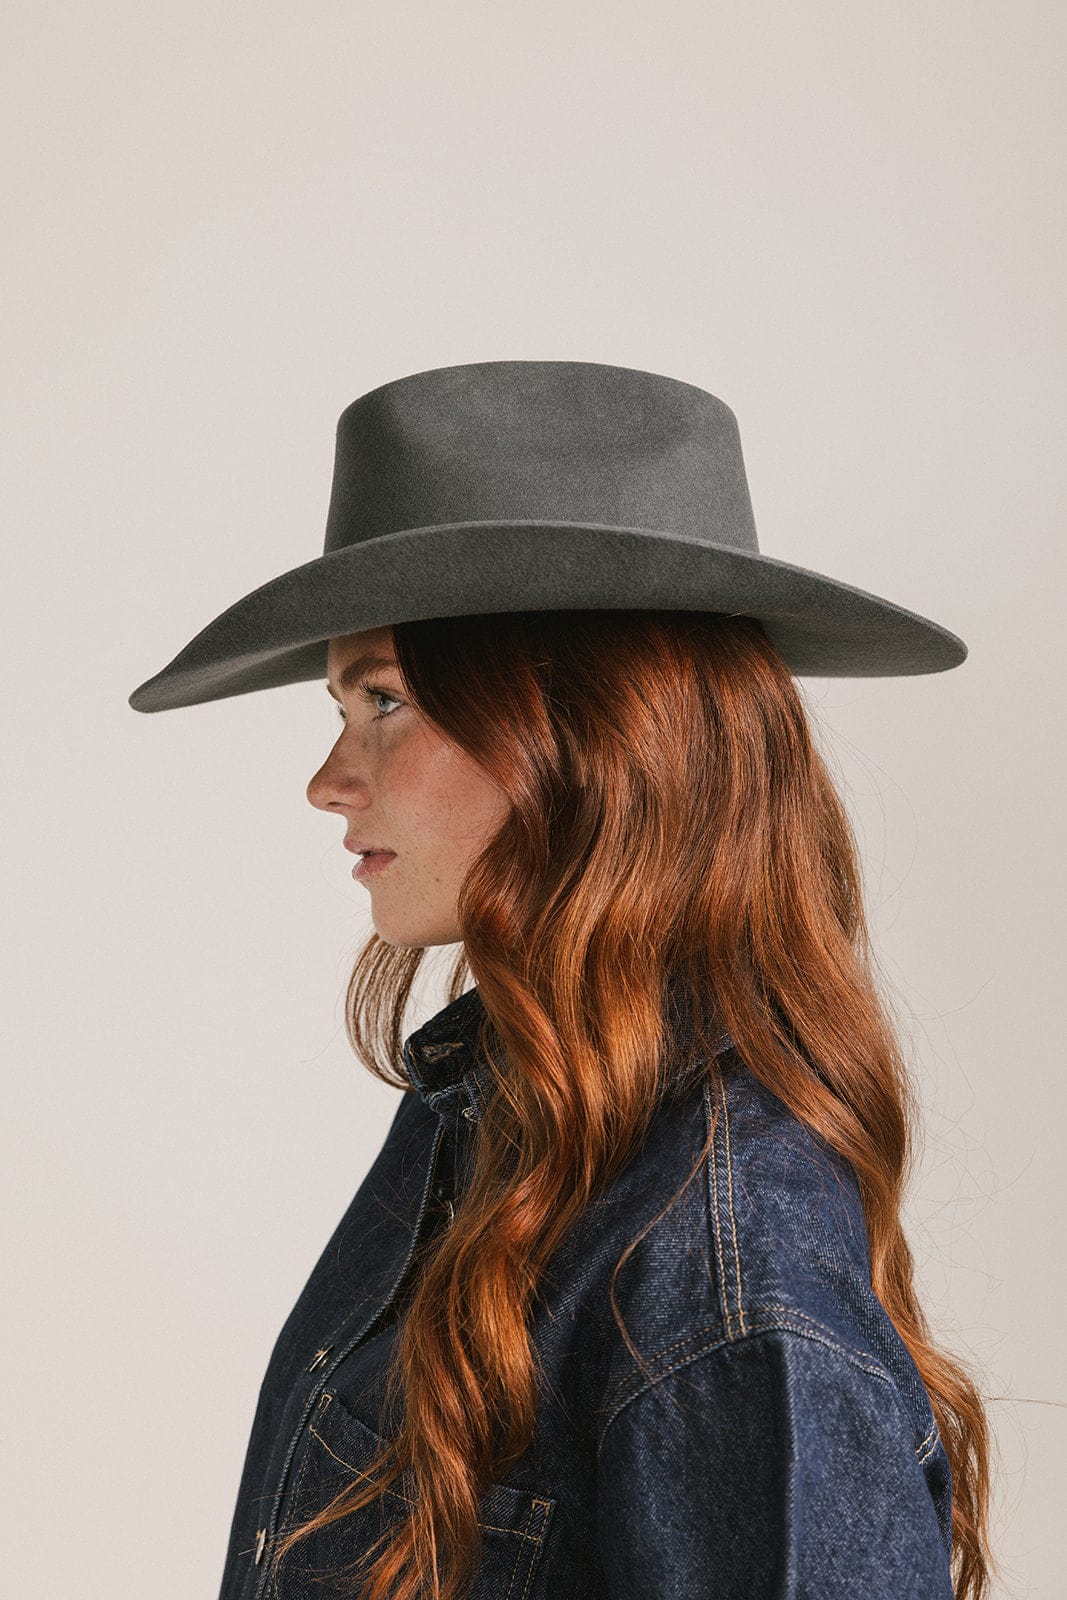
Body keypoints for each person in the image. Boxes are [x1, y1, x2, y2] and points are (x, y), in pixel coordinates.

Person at [129, 360, 998, 1600]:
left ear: (593, 731)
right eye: (340, 704)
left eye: (382, 698)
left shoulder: (722, 1276)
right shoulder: (494, 1123)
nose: (328, 777)